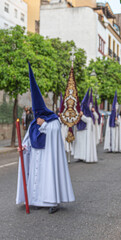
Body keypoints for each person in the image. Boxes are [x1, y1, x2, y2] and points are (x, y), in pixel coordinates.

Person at [16, 62, 75, 214]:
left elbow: (55, 131)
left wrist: (44, 124)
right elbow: (28, 139)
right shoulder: (33, 124)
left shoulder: (53, 120)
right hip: (36, 155)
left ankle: (52, 201)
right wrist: (23, 147)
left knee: (48, 176)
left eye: (38, 113)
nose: (37, 117)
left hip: (48, 156)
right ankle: (35, 200)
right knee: (36, 177)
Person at [72, 89, 98, 163]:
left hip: (86, 131)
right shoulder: (81, 112)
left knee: (84, 145)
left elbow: (89, 120)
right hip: (80, 130)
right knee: (80, 145)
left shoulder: (89, 113)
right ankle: (79, 156)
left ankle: (85, 156)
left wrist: (82, 115)